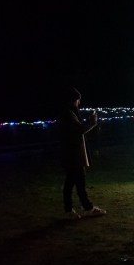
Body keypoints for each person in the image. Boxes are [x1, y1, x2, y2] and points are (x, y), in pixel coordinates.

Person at [57, 88, 106, 219]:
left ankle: (84, 208)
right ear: (73, 100)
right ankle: (75, 210)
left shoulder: (67, 113)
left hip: (72, 154)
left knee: (77, 182)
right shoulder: (68, 114)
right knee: (74, 182)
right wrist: (92, 121)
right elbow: (79, 130)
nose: (79, 103)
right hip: (73, 154)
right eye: (77, 100)